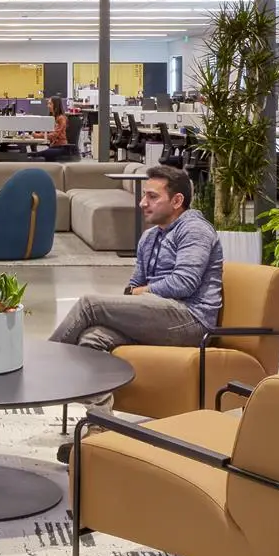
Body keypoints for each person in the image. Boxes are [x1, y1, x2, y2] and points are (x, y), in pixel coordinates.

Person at [49, 165, 223, 459]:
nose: (143, 203)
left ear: (177, 201)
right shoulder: (149, 237)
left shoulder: (195, 230)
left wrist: (140, 293)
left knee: (90, 304)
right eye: (145, 196)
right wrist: (135, 296)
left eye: (152, 197)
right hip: (161, 317)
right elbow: (133, 286)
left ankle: (45, 362)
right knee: (94, 337)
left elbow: (185, 283)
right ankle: (99, 430)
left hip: (191, 319)